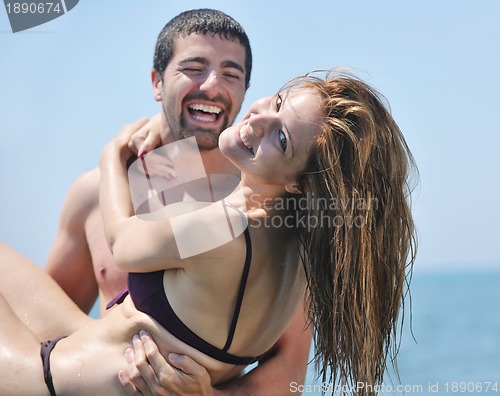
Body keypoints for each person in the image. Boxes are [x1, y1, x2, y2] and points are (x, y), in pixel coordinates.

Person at [0, 70, 417, 395]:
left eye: (282, 137)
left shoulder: (226, 224)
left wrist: (112, 156)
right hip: (87, 354)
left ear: (300, 182)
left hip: (47, 381)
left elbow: (124, 244)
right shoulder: (300, 244)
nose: (258, 119)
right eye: (277, 101)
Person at [44, 9, 312, 394]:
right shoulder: (95, 193)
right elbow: (51, 328)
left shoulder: (270, 215)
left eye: (231, 74)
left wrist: (206, 395)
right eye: (193, 68)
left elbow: (290, 373)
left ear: (245, 91)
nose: (212, 86)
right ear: (157, 82)